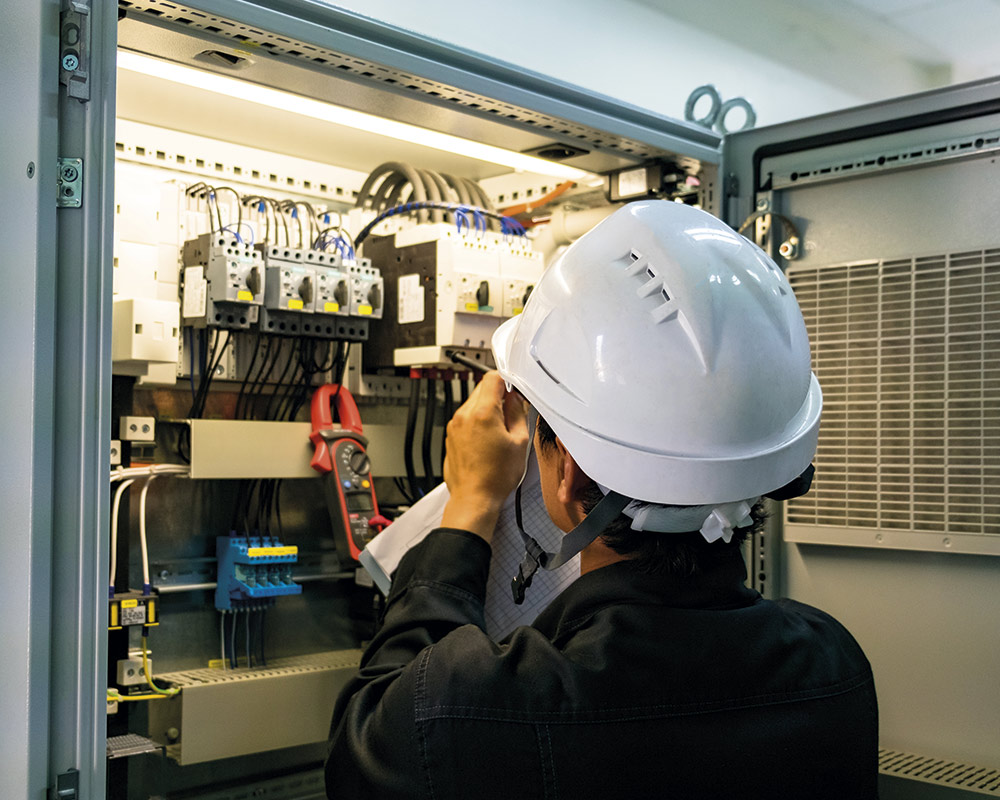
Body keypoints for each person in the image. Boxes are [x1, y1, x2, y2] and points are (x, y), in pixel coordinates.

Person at [325, 201, 878, 799]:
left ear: (566, 472)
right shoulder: (835, 670)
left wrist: (469, 510)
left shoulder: (471, 710)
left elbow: (368, 741)